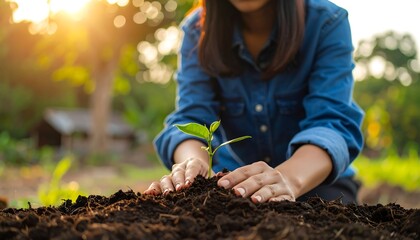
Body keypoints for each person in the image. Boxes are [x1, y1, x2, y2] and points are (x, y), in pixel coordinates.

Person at [144, 0, 364, 204]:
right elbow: (192, 118)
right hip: (233, 182)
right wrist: (193, 168)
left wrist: (289, 178)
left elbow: (331, 122)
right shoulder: (198, 30)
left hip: (314, 179)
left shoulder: (326, 22)